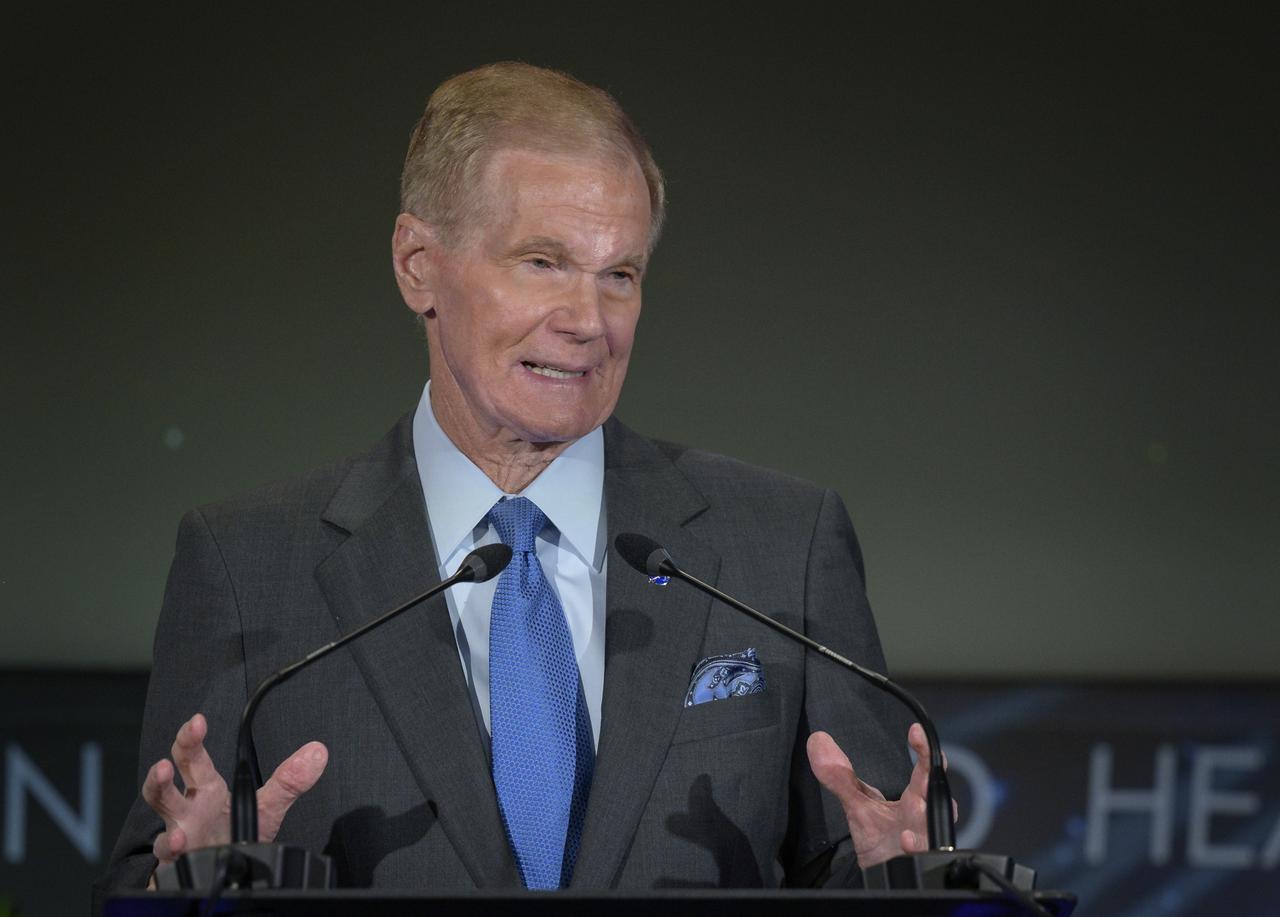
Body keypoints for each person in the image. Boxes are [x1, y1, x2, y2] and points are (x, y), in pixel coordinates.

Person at [98, 62, 942, 898]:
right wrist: (189, 889)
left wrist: (900, 882)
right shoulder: (246, 566)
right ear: (417, 265)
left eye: (620, 275)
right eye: (543, 261)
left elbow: (859, 858)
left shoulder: (783, 544)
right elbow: (144, 879)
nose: (589, 322)